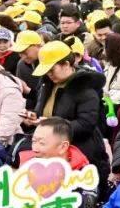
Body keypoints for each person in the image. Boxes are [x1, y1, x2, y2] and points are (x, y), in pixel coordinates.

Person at [26, 40, 111, 188]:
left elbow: (86, 124)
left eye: (52, 70)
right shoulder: (47, 84)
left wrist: (55, 127)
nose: (49, 74)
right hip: (49, 150)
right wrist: (33, 117)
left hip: (79, 152)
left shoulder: (85, 89)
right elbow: (42, 111)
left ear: (66, 64)